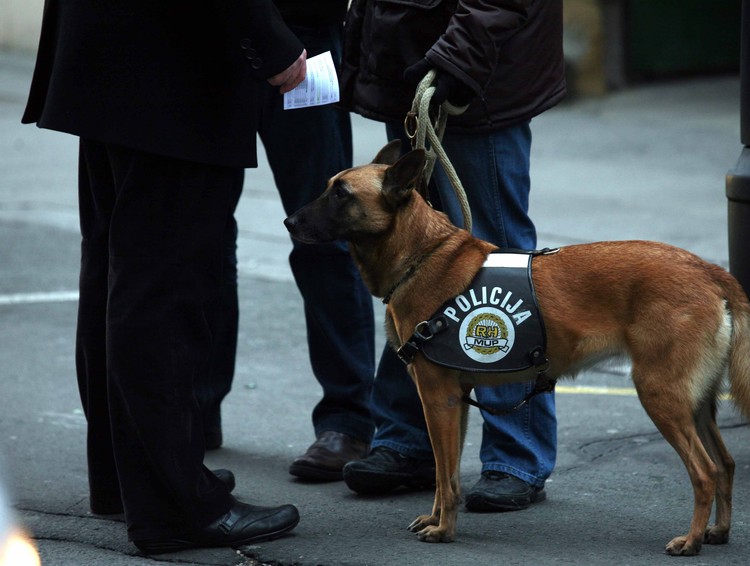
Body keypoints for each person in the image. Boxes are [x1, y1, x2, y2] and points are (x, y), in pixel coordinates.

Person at [22, 0, 307, 553]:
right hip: (172, 71)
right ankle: (173, 507)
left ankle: (131, 483)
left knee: (118, 275)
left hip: (111, 55)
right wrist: (271, 39)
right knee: (163, 292)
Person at [338, 0, 567, 512]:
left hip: (474, 78)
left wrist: (457, 60)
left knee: (499, 268)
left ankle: (516, 454)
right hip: (415, 66)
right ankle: (410, 442)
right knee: (409, 266)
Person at [196, 0, 376, 479]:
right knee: (200, 236)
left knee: (326, 234)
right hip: (208, 40)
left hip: (302, 40)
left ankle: (349, 419)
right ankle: (197, 404)